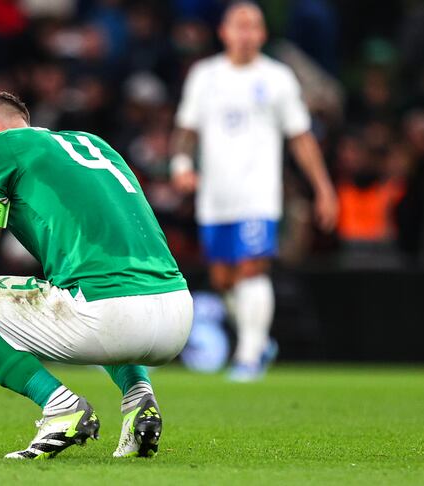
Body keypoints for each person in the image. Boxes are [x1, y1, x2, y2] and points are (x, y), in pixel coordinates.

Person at [0, 92, 192, 459]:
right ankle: (139, 399)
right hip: (178, 311)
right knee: (83, 285)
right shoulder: (92, 143)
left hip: (107, 313)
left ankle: (60, 407)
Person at [170, 1, 337, 382]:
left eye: (253, 27)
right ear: (224, 32)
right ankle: (257, 341)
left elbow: (301, 137)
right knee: (225, 279)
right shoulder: (205, 75)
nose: (246, 34)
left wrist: (323, 188)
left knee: (251, 267)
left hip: (259, 192)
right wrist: (181, 166)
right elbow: (186, 130)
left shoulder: (278, 78)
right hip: (215, 195)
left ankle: (248, 355)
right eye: (238, 26)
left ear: (262, 34)